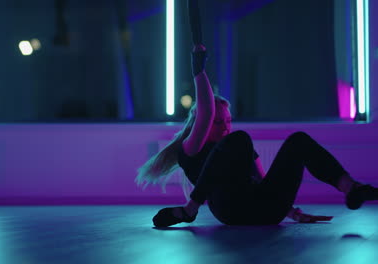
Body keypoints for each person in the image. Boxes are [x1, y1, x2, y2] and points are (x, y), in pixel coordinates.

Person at [135, 43, 378, 227]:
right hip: (231, 209)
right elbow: (207, 110)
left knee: (298, 141)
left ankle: (351, 188)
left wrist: (294, 213)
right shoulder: (191, 149)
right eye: (218, 122)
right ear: (202, 124)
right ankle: (190, 209)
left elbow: (263, 181)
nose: (224, 126)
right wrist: (198, 69)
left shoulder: (238, 148)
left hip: (266, 208)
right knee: (239, 138)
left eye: (228, 121)